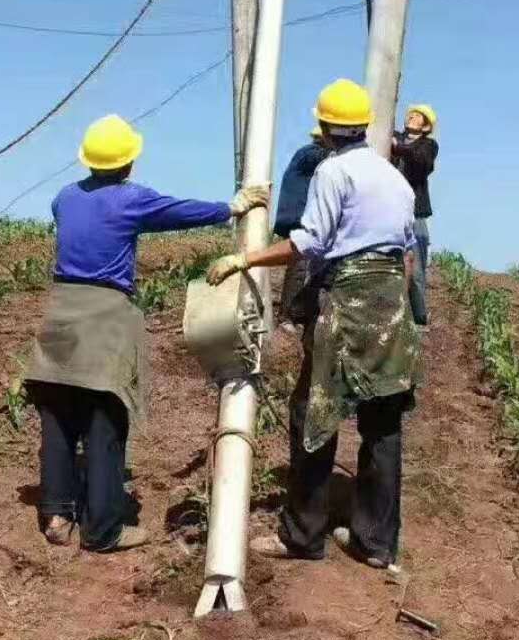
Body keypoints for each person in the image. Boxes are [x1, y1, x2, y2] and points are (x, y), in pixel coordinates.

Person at [26, 114, 268, 554]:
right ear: (129, 162)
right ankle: (104, 531)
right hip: (105, 315)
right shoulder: (131, 200)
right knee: (105, 419)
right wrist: (230, 207)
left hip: (60, 311)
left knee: (58, 415)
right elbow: (178, 211)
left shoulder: (64, 198)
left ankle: (57, 514)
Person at [207, 79, 420, 573]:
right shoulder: (395, 178)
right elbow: (408, 258)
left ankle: (303, 535)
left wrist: (245, 259)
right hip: (391, 304)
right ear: (364, 125)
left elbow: (308, 243)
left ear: (325, 128)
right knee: (383, 423)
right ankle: (376, 543)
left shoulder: (332, 171)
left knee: (313, 413)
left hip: (348, 299)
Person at [391, 103, 438, 325]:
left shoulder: (428, 145)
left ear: (426, 126)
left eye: (418, 116)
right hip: (388, 209)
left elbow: (422, 162)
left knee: (417, 265)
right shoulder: (391, 137)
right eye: (410, 114)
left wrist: (398, 148)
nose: (411, 116)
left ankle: (419, 317)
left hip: (414, 212)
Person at [273, 126, 326, 324]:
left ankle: (299, 311)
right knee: (301, 262)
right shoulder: (310, 153)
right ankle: (288, 315)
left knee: (307, 262)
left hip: (299, 215)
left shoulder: (309, 154)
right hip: (299, 216)